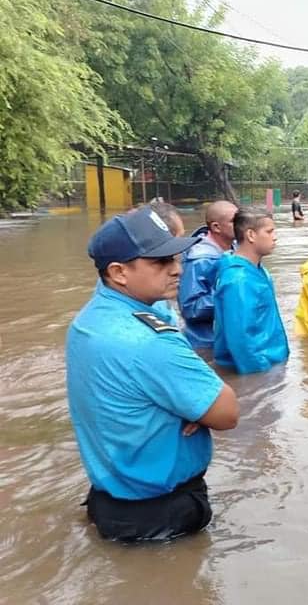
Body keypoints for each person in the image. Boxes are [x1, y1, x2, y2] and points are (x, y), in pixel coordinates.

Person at [66, 206, 239, 542]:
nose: (177, 269)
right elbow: (227, 412)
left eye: (176, 257)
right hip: (160, 514)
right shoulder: (149, 342)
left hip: (111, 498)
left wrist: (186, 399)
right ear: (119, 272)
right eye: (161, 262)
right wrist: (194, 405)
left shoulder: (88, 321)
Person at [213, 209, 289, 374]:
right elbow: (241, 339)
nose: (275, 237)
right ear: (251, 235)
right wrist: (259, 378)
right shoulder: (238, 280)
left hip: (272, 361)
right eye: (269, 231)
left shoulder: (258, 271)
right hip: (259, 368)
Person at [178, 200, 238, 352]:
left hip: (227, 338)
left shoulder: (236, 248)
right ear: (216, 227)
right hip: (206, 343)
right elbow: (190, 308)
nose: (241, 225)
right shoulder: (199, 260)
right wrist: (228, 294)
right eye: (234, 221)